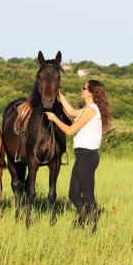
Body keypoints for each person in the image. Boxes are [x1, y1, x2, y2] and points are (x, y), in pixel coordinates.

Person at [46, 80, 111, 227]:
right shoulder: (86, 109)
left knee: (88, 197)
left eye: (84, 88)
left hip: (87, 156)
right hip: (82, 156)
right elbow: (70, 112)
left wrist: (54, 118)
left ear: (91, 93)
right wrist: (59, 94)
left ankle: (92, 228)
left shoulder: (90, 110)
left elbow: (70, 131)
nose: (81, 90)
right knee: (74, 194)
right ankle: (85, 220)